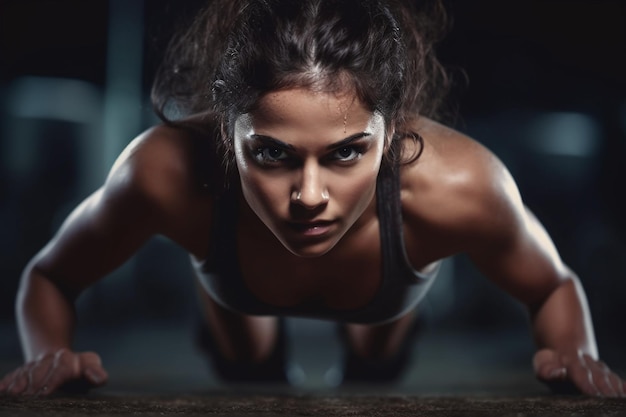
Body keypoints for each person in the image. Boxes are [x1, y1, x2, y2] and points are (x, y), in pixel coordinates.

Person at [1, 0, 624, 397]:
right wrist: (50, 356)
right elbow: (50, 278)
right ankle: (239, 331)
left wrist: (575, 358)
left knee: (372, 370)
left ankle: (379, 339)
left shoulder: (461, 185)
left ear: (393, 129)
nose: (308, 196)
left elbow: (552, 286)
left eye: (346, 152)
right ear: (227, 130)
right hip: (239, 298)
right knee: (250, 376)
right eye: (271, 153)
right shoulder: (161, 171)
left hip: (384, 301)